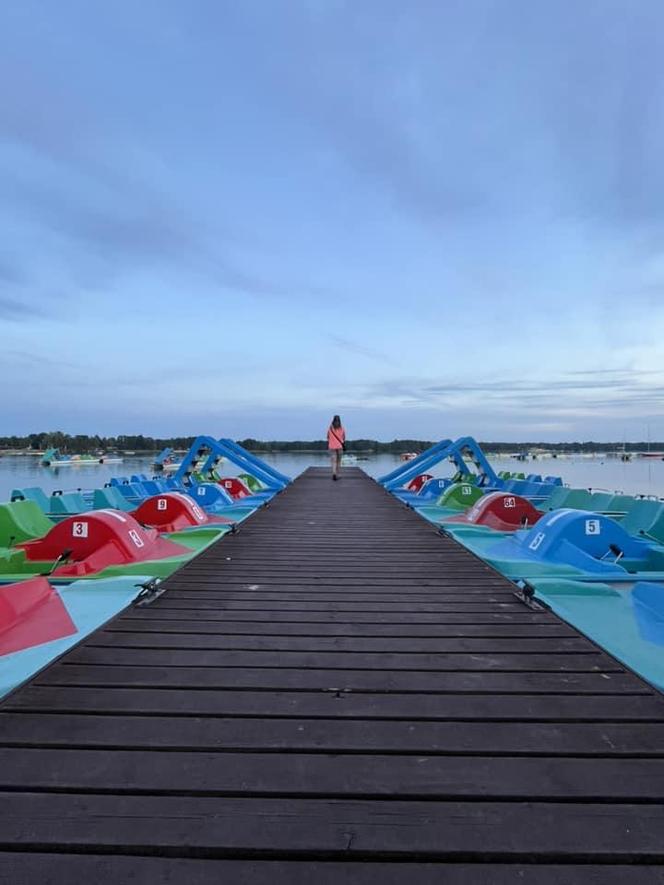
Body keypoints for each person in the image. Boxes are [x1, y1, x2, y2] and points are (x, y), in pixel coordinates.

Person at [327, 414, 346, 481]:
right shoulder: (342, 428)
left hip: (332, 447)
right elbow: (344, 437)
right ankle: (337, 474)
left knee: (333, 461)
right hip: (340, 446)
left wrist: (331, 442)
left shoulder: (330, 429)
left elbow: (328, 437)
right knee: (338, 461)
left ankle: (334, 474)